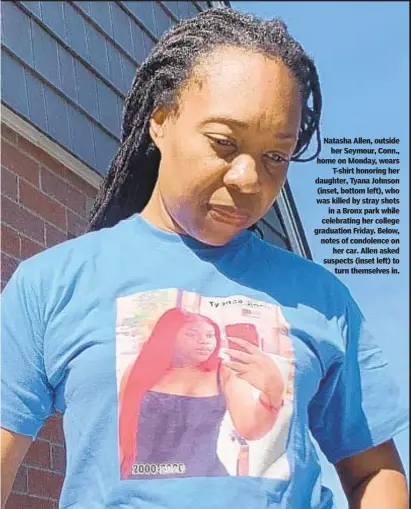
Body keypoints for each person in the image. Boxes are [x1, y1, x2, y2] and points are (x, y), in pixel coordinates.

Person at [1, 6, 408, 509]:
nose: (248, 179)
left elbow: (373, 470)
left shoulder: (322, 300)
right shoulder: (53, 283)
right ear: (161, 121)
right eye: (223, 142)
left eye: (274, 156)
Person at [118, 308, 284, 479]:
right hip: (141, 477)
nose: (204, 341)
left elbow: (250, 430)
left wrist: (273, 390)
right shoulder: (139, 369)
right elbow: (120, 425)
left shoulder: (225, 372)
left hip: (204, 480)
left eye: (210, 335)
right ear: (169, 337)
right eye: (191, 334)